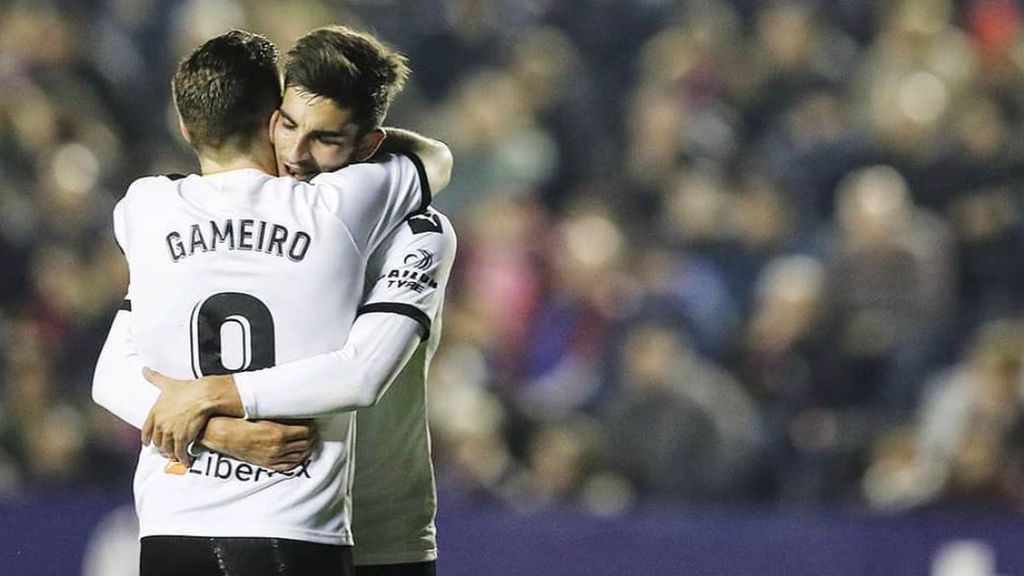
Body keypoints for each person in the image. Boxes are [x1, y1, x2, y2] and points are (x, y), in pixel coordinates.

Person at [92, 28, 452, 576]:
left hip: (383, 533)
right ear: (267, 116)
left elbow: (362, 372)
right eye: (287, 124)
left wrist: (209, 399)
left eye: (326, 138)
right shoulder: (198, 219)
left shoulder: (418, 230)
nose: (296, 152)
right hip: (289, 521)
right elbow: (117, 369)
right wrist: (222, 431)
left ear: (370, 145)